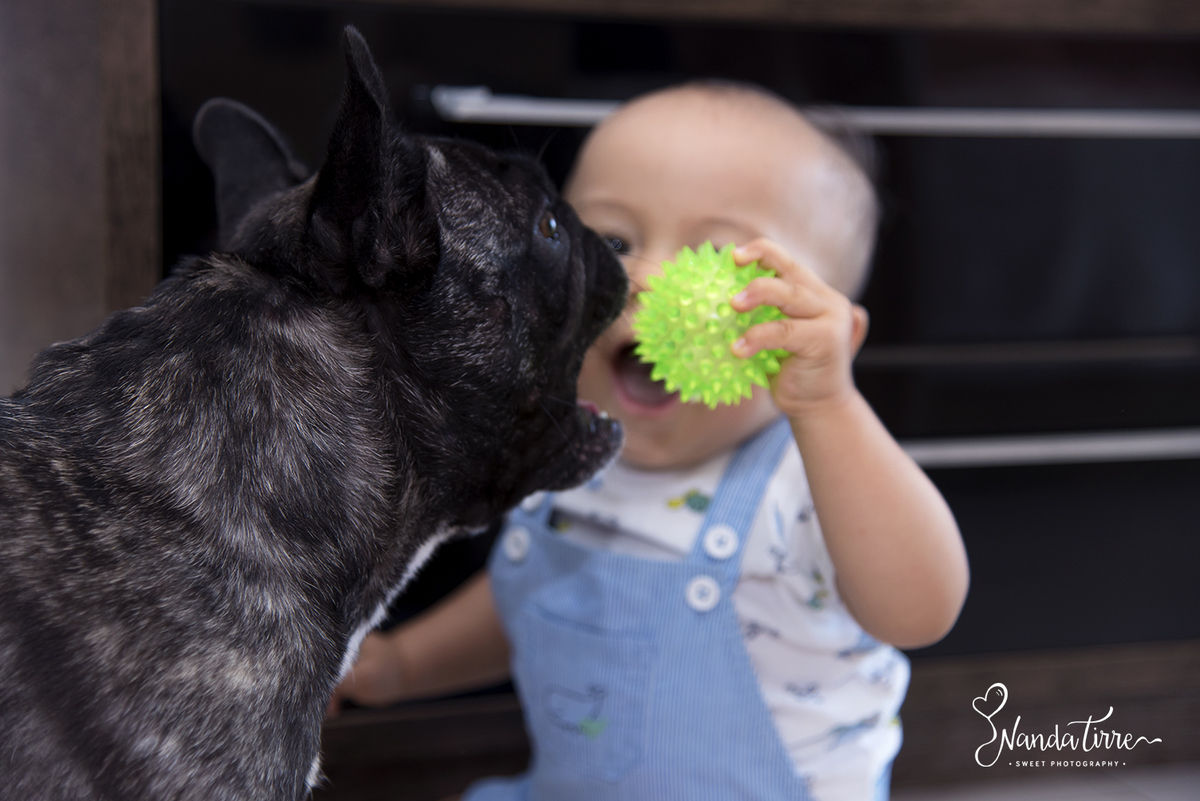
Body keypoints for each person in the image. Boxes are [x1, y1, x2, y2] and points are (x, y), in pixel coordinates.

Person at [329, 82, 969, 801]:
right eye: (612, 241)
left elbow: (920, 610)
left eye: (718, 256)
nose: (646, 278)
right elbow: (542, 596)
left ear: (826, 334)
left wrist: (832, 406)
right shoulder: (571, 450)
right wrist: (404, 665)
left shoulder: (814, 479)